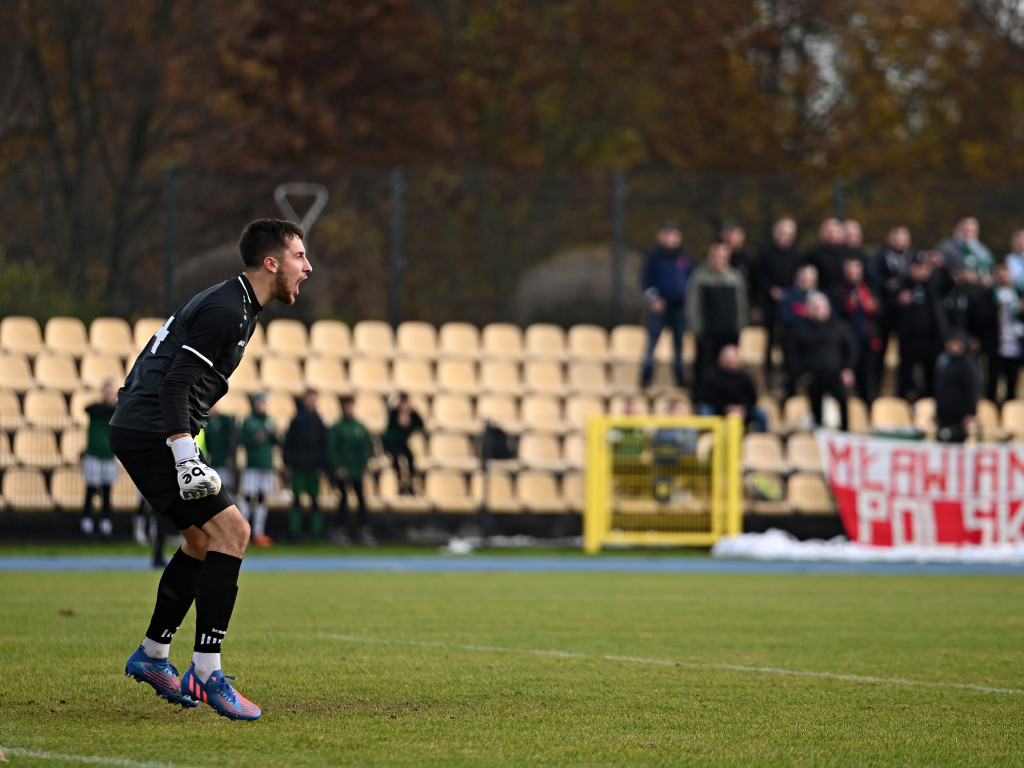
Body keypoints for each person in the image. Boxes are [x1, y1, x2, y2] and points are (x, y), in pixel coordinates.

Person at [112, 217, 311, 721]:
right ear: (272, 263)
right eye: (299, 257)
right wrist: (183, 454)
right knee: (234, 531)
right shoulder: (227, 308)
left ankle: (154, 656)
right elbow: (175, 385)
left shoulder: (240, 305)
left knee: (202, 542)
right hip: (152, 429)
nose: (307, 268)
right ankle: (205, 673)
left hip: (146, 427)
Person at [686, 241, 748, 392]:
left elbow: (741, 305)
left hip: (729, 332)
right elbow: (692, 304)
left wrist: (740, 327)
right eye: (715, 255)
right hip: (707, 332)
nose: (718, 258)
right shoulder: (699, 276)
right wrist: (696, 328)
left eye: (722, 255)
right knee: (704, 367)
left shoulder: (735, 277)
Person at [790, 292, 857, 431]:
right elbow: (792, 354)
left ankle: (845, 432)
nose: (819, 309)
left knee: (843, 402)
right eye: (815, 307)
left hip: (836, 373)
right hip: (813, 376)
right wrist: (801, 373)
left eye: (822, 306)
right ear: (808, 308)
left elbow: (851, 348)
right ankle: (817, 436)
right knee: (816, 409)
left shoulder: (839, 326)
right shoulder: (800, 329)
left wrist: (848, 369)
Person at [640, 220, 694, 389]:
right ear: (660, 236)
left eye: (673, 234)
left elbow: (691, 281)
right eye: (667, 234)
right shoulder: (653, 257)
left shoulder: (685, 256)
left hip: (679, 308)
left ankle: (680, 379)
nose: (670, 238)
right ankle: (645, 379)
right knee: (651, 345)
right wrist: (654, 299)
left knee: (679, 347)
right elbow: (646, 281)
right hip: (659, 309)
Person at [754, 217, 800, 386]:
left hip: (790, 307)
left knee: (789, 343)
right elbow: (758, 278)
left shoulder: (796, 255)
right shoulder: (765, 253)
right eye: (782, 232)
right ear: (774, 233)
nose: (784, 236)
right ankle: (767, 377)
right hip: (770, 305)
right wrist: (771, 289)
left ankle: (788, 378)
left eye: (788, 233)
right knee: (769, 342)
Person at [896, 251, 946, 401]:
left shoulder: (935, 284)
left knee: (931, 374)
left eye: (924, 268)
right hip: (909, 338)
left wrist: (940, 265)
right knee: (906, 375)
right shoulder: (903, 284)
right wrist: (898, 301)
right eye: (916, 267)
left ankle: (929, 402)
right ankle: (904, 402)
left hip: (932, 339)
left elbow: (950, 282)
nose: (920, 271)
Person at [327, 394, 377, 546]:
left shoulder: (360, 427)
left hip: (357, 470)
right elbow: (332, 449)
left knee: (361, 499)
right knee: (343, 500)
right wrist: (337, 466)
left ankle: (363, 529)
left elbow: (366, 448)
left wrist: (364, 464)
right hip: (344, 470)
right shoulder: (337, 428)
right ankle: (340, 529)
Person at [867, 225, 912, 390]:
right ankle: (874, 391)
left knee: (906, 356)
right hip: (883, 315)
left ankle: (904, 393)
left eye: (902, 237)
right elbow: (873, 282)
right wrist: (887, 285)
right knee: (877, 355)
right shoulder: (877, 259)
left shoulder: (913, 259)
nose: (899, 240)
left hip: (906, 316)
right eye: (895, 236)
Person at [831, 257, 881, 402]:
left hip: (868, 340)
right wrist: (849, 305)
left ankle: (866, 409)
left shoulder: (868, 288)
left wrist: (875, 308)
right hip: (846, 344)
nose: (854, 272)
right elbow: (835, 315)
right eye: (850, 269)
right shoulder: (837, 290)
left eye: (857, 269)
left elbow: (880, 312)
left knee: (867, 381)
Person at [282, 387, 329, 541]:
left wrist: (323, 466)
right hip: (298, 466)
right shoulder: (297, 421)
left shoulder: (320, 421)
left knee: (315, 500)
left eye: (315, 398)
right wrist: (287, 463)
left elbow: (324, 445)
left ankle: (316, 533)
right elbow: (288, 443)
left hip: (314, 467)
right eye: (310, 398)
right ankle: (294, 533)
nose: (313, 401)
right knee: (296, 500)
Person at [694, 344, 768, 433]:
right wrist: (725, 408)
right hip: (717, 409)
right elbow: (705, 396)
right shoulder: (710, 375)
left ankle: (760, 440)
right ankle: (706, 438)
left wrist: (743, 408)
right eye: (728, 358)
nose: (732, 361)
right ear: (721, 359)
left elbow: (752, 398)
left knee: (761, 415)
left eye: (734, 358)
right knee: (705, 410)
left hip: (739, 410)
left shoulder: (744, 376)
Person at [237, 392, 279, 547]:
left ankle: (258, 532)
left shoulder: (270, 421)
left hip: (266, 465)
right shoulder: (249, 422)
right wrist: (254, 439)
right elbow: (242, 440)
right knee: (248, 497)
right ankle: (243, 530)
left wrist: (276, 435)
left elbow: (277, 442)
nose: (264, 406)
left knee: (262, 498)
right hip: (252, 465)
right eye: (261, 403)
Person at [81, 379, 119, 542]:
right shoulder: (96, 408)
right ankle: (87, 523)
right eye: (108, 391)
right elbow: (88, 408)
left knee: (107, 491)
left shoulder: (117, 410)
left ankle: (106, 524)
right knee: (91, 489)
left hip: (109, 455)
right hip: (94, 454)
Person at [777, 263, 818, 398]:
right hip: (793, 343)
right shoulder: (789, 295)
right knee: (791, 377)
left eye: (809, 277)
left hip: (814, 345)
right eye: (803, 276)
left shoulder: (820, 296)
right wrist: (805, 314)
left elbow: (829, 317)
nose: (806, 280)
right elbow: (783, 316)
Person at [934, 329, 979, 443]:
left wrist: (970, 412)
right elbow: (939, 389)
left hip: (960, 416)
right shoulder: (944, 362)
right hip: (944, 415)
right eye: (951, 343)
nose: (953, 347)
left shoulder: (968, 364)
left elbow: (972, 390)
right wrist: (937, 412)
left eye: (956, 343)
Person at [381, 391, 425, 495]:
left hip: (402, 443)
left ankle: (411, 483)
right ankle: (400, 483)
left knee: (410, 457)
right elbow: (395, 423)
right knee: (397, 459)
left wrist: (412, 412)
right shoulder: (395, 413)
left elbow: (421, 425)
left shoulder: (412, 413)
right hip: (390, 442)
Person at [802, 217, 848, 293]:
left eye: (835, 231)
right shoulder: (813, 254)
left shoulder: (849, 253)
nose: (832, 234)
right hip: (821, 296)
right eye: (828, 231)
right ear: (821, 233)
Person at [201, 402, 237, 498]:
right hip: (213, 462)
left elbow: (233, 440)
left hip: (226, 462)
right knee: (216, 489)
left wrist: (231, 456)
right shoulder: (206, 423)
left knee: (227, 488)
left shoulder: (227, 420)